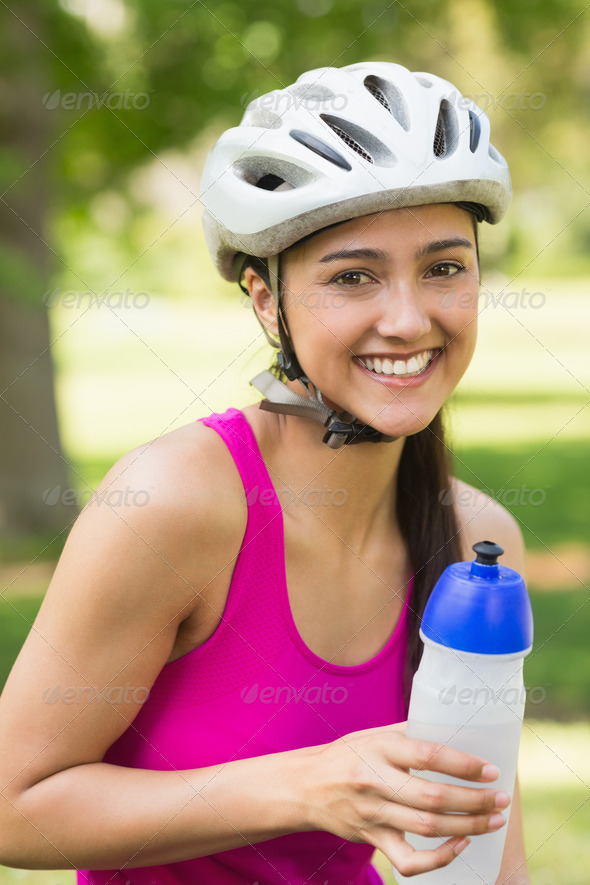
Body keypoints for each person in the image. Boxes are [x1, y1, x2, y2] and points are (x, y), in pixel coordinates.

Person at [0, 62, 531, 884]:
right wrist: (305, 786)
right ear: (265, 300)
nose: (407, 317)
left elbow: (490, 848)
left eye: (444, 267)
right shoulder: (174, 504)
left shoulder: (480, 543)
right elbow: (15, 804)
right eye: (352, 276)